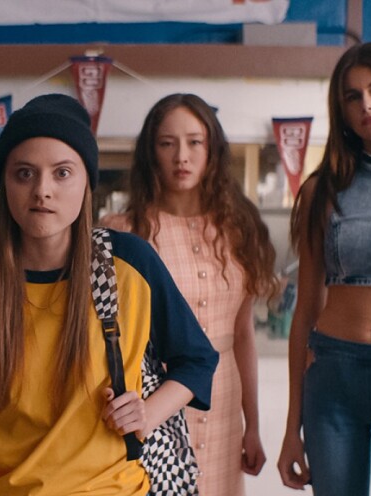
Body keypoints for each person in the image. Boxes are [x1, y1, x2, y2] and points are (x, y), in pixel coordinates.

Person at [0, 94, 218, 495]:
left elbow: (198, 359)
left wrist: (148, 413)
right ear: (5, 183)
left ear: (87, 182)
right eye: (24, 173)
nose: (42, 190)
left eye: (62, 173)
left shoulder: (128, 263)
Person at [101, 93, 277, 496]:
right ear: (151, 152)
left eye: (195, 142)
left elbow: (243, 335)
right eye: (167, 143)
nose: (182, 155)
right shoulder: (123, 231)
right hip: (153, 395)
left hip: (224, 396)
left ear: (212, 149)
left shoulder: (237, 229)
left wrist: (253, 425)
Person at [276, 42, 371, 495]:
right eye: (352, 95)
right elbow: (304, 310)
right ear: (340, 108)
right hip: (334, 374)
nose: (366, 103)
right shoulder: (320, 190)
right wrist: (291, 428)